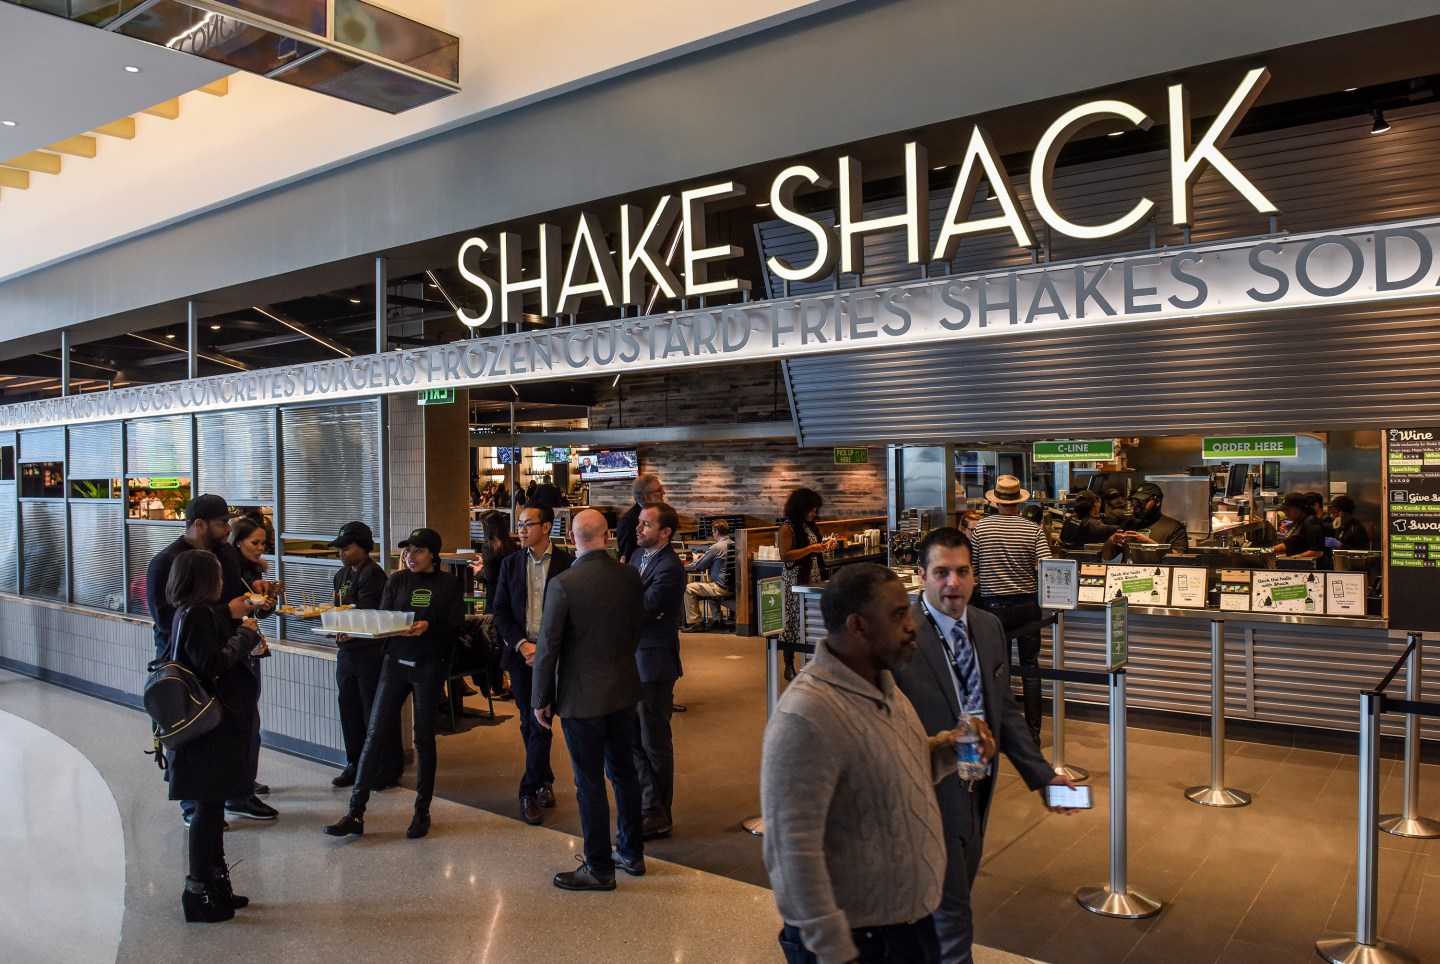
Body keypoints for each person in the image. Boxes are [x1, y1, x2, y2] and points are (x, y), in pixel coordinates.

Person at [761, 563, 970, 964]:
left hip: (911, 924)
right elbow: (791, 851)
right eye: (897, 615)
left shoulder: (884, 687)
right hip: (860, 942)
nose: (911, 625)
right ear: (856, 625)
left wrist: (949, 750)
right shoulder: (806, 717)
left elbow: (894, 771)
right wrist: (835, 950)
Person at [895, 528, 1077, 963]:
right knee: (953, 919)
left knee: (943, 905)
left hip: (978, 788)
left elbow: (1005, 712)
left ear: (975, 576)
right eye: (941, 573)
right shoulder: (900, 635)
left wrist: (1043, 777)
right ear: (922, 576)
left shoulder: (988, 626)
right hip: (925, 794)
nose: (953, 583)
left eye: (962, 572)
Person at [323, 527, 465, 841]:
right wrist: (352, 631)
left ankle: (421, 812)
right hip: (394, 663)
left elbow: (455, 630)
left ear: (433, 554)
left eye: (418, 551)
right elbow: (383, 619)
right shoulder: (397, 580)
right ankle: (355, 813)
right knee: (374, 734)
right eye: (407, 550)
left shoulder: (449, 584)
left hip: (428, 665)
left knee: (423, 738)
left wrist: (428, 626)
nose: (410, 556)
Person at [532, 508, 647, 891]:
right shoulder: (629, 576)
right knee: (625, 772)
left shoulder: (564, 583)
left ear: (571, 538)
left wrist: (540, 698)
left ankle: (598, 867)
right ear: (608, 536)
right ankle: (631, 853)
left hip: (580, 697)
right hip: (623, 689)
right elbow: (636, 629)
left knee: (590, 782)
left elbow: (548, 647)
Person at [163, 550, 265, 923]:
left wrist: (236, 624)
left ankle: (216, 883)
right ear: (207, 578)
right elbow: (211, 664)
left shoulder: (192, 611)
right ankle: (198, 891)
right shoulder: (196, 614)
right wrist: (245, 636)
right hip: (209, 728)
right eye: (218, 575)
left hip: (212, 727)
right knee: (207, 810)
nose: (223, 581)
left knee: (213, 805)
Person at [491, 501, 574, 825]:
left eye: (527, 524)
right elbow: (500, 610)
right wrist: (523, 644)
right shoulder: (511, 563)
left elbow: (574, 612)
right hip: (521, 653)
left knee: (542, 720)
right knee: (530, 720)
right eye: (519, 524)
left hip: (555, 655)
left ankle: (532, 787)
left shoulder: (567, 564)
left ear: (546, 527)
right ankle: (540, 783)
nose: (521, 530)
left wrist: (547, 649)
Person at [969, 475, 1051, 745]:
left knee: (998, 671)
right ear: (1019, 501)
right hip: (1026, 605)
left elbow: (973, 568)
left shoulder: (982, 528)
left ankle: (1002, 732)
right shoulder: (1032, 529)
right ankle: (1033, 734)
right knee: (1030, 669)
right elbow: (1047, 566)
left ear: (996, 500)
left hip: (993, 607)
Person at [327, 521, 401, 790]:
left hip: (370, 656)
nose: (341, 553)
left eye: (346, 548)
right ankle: (355, 763)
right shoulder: (342, 575)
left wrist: (347, 629)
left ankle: (384, 769)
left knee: (375, 713)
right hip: (347, 655)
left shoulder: (373, 575)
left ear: (363, 547)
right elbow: (337, 609)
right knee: (349, 710)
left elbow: (369, 616)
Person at [630, 500, 686, 839]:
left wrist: (630, 605)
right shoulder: (638, 556)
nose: (638, 528)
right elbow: (634, 603)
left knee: (654, 742)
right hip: (630, 660)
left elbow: (644, 609)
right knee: (632, 739)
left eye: (646, 524)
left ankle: (660, 813)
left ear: (665, 532)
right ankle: (649, 805)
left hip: (654, 663)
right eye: (639, 522)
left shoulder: (671, 568)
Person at [219, 517, 279, 821]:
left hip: (249, 646)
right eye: (254, 542)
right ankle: (237, 789)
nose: (260, 548)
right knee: (243, 719)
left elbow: (259, 613)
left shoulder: (255, 571)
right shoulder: (228, 571)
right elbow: (231, 612)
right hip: (232, 650)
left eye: (263, 543)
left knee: (251, 717)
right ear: (237, 541)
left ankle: (243, 782)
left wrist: (268, 602)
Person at [778, 487, 835, 680]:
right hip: (794, 579)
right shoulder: (787, 528)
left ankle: (812, 662)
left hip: (812, 576)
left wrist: (824, 546)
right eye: (811, 509)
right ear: (801, 507)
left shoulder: (809, 526)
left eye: (815, 509)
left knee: (808, 617)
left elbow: (814, 549)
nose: (814, 513)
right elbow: (785, 556)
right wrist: (812, 548)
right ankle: (789, 665)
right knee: (792, 620)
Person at [473, 509, 519, 697]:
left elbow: (490, 576)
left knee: (495, 641)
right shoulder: (513, 545)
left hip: (494, 598)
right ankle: (513, 682)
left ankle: (497, 684)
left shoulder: (488, 547)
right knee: (510, 639)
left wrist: (478, 571)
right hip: (512, 597)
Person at [1102, 481, 1190, 558]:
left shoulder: (1174, 527)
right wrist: (1111, 540)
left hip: (1159, 571)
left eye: (1142, 501)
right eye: (1134, 501)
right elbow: (1107, 557)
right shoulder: (1129, 524)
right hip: (1129, 571)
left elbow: (1179, 558)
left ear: (1157, 502)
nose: (1136, 505)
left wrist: (1147, 543)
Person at [682, 519, 734, 631]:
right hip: (732, 586)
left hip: (720, 588)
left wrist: (695, 559)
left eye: (713, 532)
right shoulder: (733, 544)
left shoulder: (717, 547)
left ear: (717, 532)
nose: (712, 534)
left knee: (688, 589)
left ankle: (695, 622)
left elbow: (699, 566)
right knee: (710, 584)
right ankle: (717, 619)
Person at [616, 473, 666, 564]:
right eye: (659, 490)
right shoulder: (630, 521)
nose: (663, 493)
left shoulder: (653, 515)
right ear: (647, 497)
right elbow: (628, 557)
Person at [1272, 492, 1328, 562]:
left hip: (1312, 567)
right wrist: (1267, 551)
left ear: (1299, 508)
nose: (1286, 513)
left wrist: (1291, 560)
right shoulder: (1298, 522)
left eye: (1289, 509)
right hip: (1297, 565)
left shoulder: (1311, 521)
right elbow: (1290, 545)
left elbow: (1317, 552)